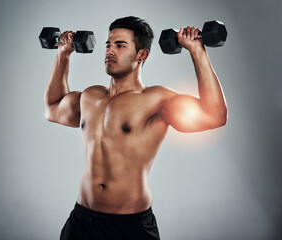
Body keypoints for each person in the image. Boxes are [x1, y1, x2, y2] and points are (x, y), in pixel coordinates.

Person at [44, 16, 227, 240]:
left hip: (129, 226)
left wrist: (197, 51)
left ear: (142, 55)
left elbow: (214, 116)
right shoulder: (90, 96)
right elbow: (53, 108)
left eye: (120, 45)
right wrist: (62, 55)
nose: (110, 51)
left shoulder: (155, 99)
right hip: (82, 220)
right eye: (108, 44)